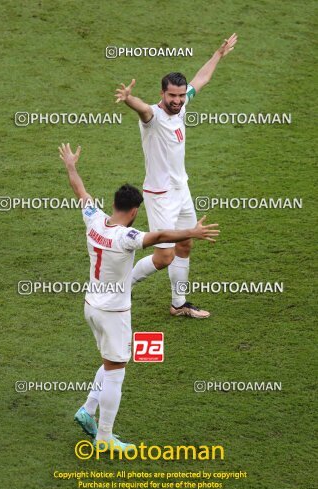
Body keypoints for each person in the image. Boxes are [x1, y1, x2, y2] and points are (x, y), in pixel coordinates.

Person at [59, 143, 219, 451]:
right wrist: (191, 232)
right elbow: (158, 237)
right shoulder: (127, 237)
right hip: (114, 312)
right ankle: (105, 437)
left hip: (91, 306)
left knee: (110, 360)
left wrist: (71, 165)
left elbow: (80, 191)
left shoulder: (94, 219)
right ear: (134, 211)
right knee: (117, 369)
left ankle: (87, 410)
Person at [115, 33, 237, 318]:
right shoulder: (153, 118)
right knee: (163, 257)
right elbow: (143, 110)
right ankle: (120, 287)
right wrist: (129, 98)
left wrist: (218, 54)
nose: (178, 100)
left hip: (182, 190)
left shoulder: (181, 108)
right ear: (162, 94)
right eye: (172, 96)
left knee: (185, 244)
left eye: (181, 96)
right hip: (161, 197)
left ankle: (178, 304)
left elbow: (201, 79)